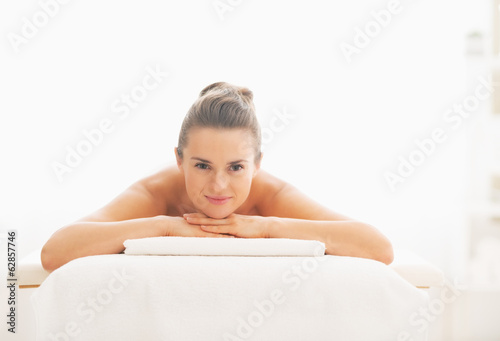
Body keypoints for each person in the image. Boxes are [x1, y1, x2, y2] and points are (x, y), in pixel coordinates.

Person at [41, 82, 393, 272]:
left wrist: (267, 227)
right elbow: (55, 252)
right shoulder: (157, 191)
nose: (219, 186)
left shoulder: (271, 195)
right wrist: (164, 227)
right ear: (179, 159)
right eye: (202, 165)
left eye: (236, 167)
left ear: (257, 164)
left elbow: (378, 247)